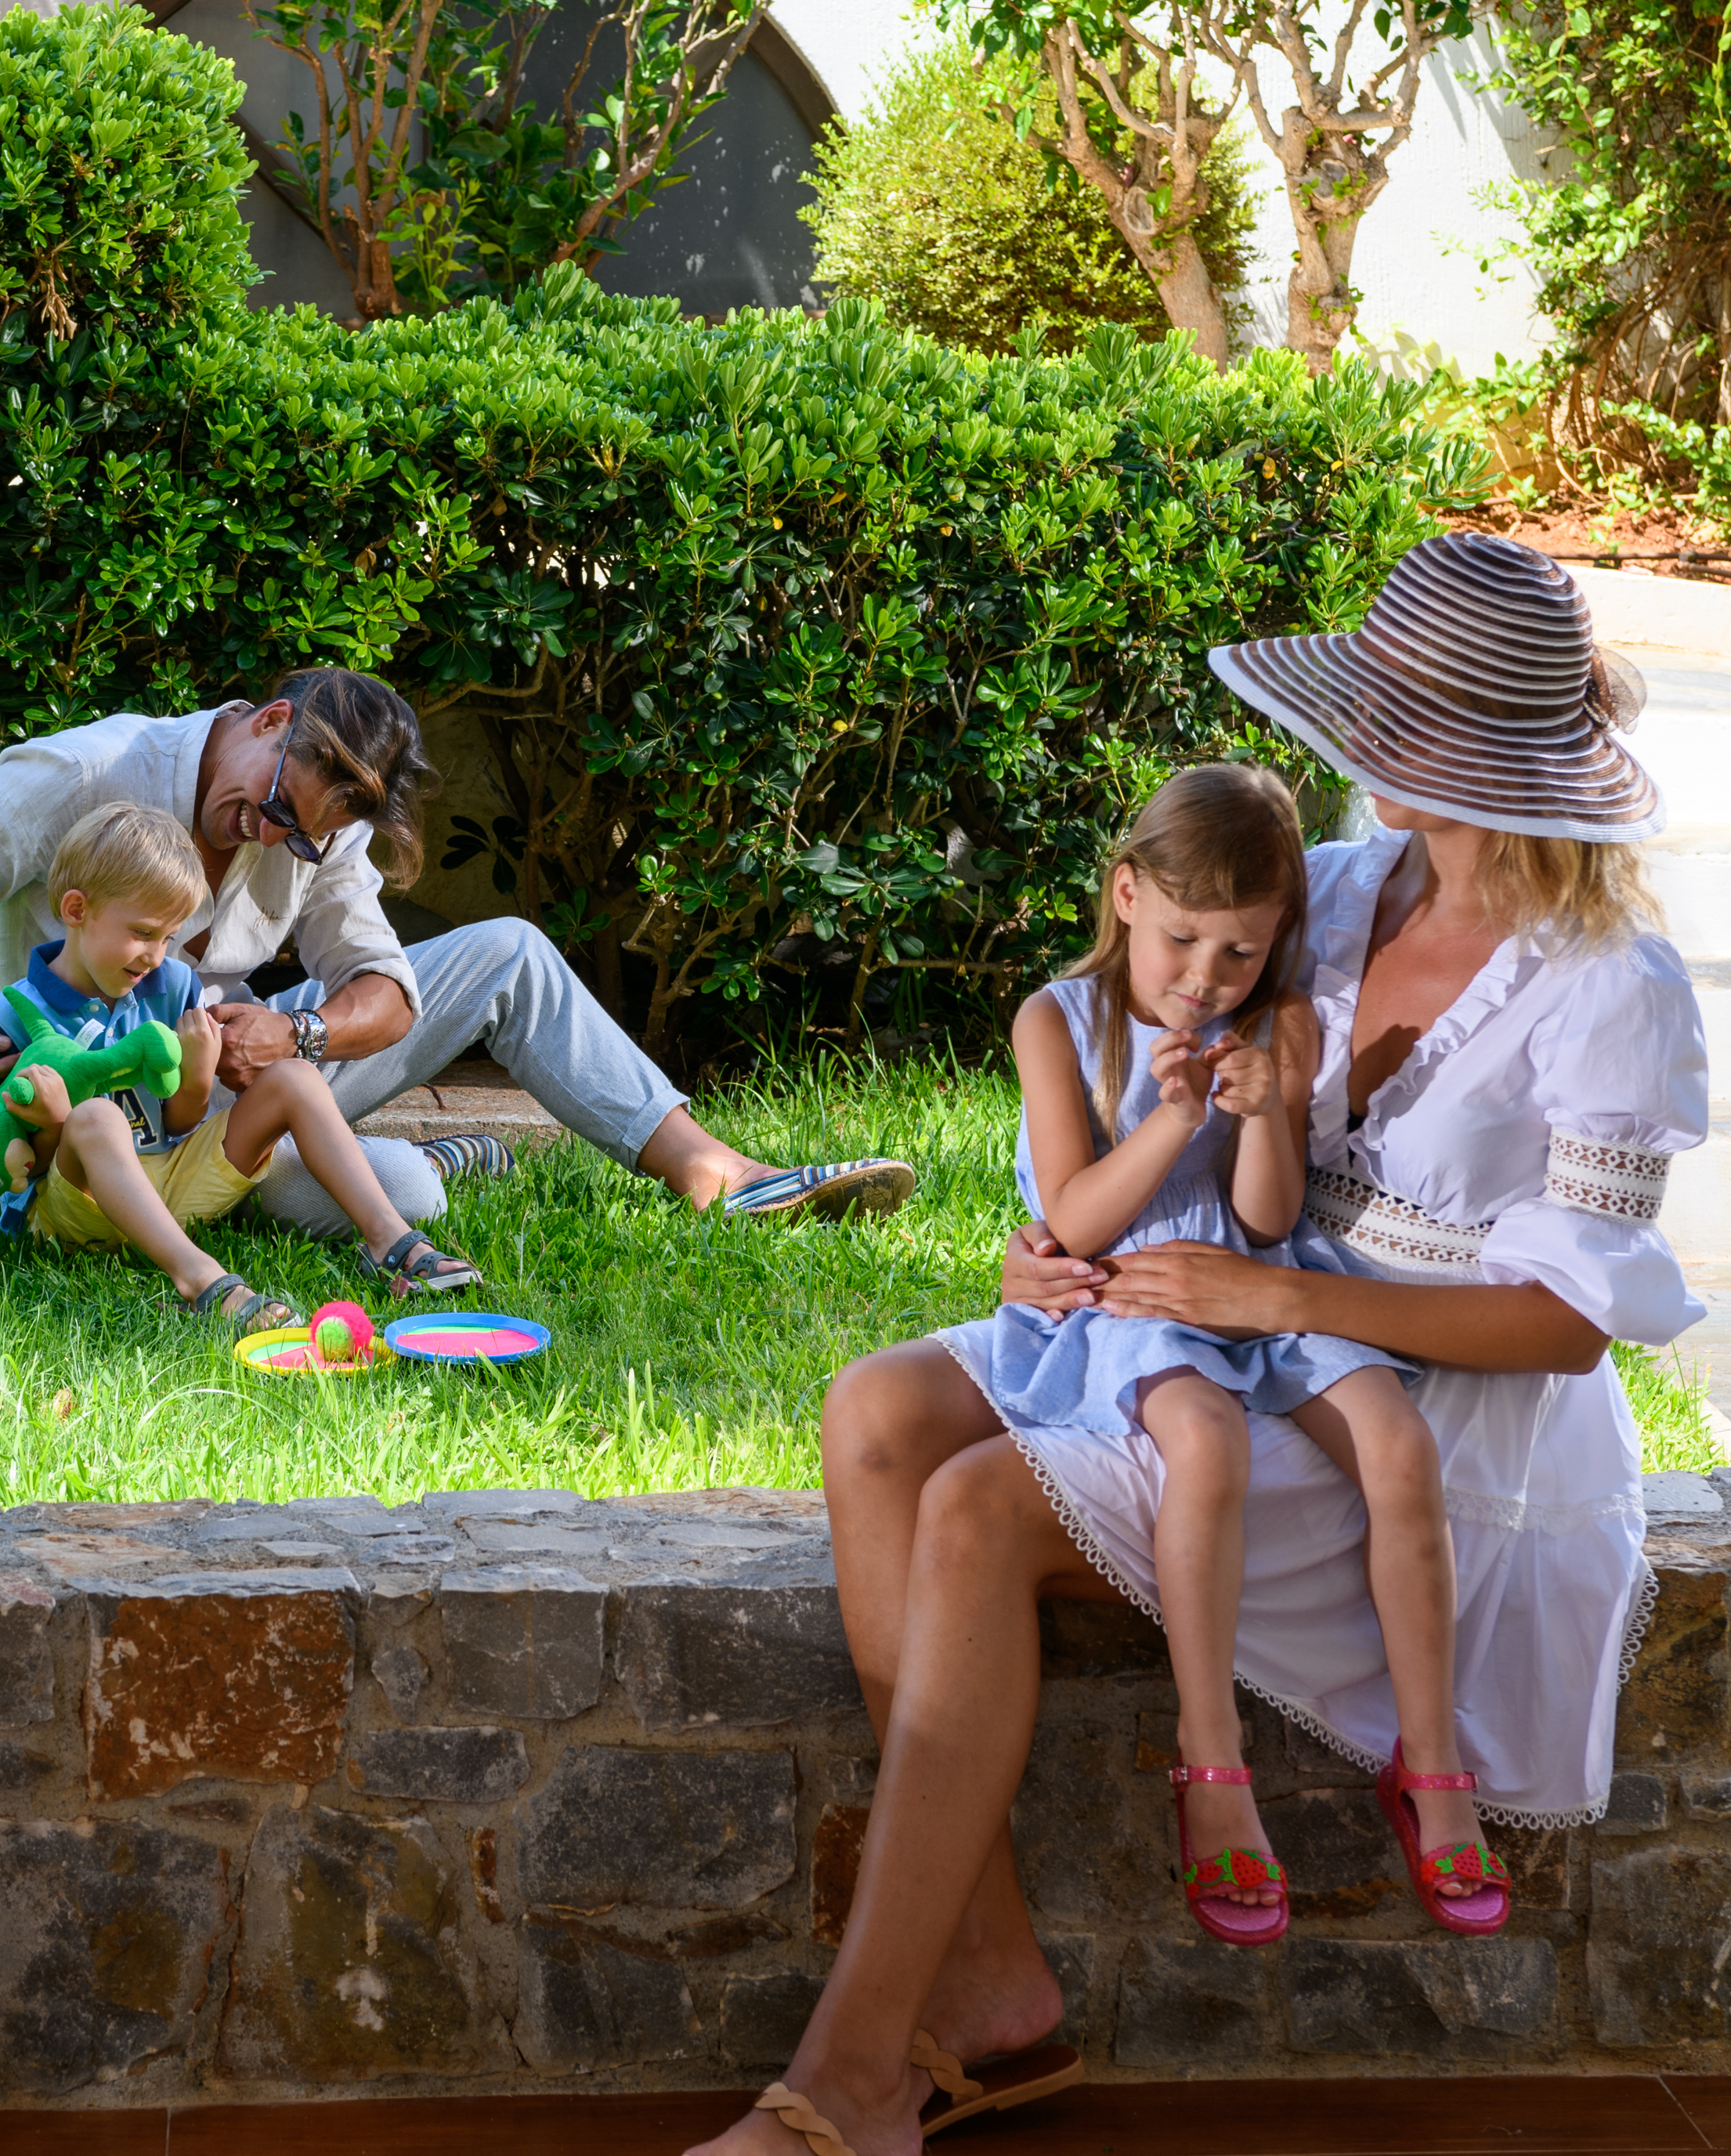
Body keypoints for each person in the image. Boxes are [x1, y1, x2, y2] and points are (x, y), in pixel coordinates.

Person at [696, 533, 1702, 2156]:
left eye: (1389, 713)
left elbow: (1570, 1330)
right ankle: (995, 1981)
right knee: (876, 1407)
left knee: (968, 1506)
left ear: (1460, 743)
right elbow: (1167, 1069)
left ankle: (850, 2079)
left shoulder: (1610, 987)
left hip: (1432, 1406)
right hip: (1219, 1286)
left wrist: (1285, 1300)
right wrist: (1050, 1244)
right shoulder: (1351, 883)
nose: (1358, 742)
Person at [945, 761, 1476, 1951]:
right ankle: (1212, 1750)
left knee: (1397, 1441)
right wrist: (1176, 1116)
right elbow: (1078, 1222)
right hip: (1139, 1295)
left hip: (1271, 1288)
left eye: (1239, 953)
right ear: (1126, 895)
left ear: (1278, 938)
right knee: (1206, 1440)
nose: (1204, 979)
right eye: (1183, 941)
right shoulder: (1061, 1020)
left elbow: (1273, 1220)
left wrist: (1262, 1108)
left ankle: (1432, 1759)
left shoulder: (1275, 1021)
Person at [0, 667, 916, 1232]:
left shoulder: (321, 826)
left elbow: (389, 992)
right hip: (97, 1119)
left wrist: (295, 1028)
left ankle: (715, 1175)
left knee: (507, 951)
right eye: (274, 809)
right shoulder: (90, 773)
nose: (276, 837)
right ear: (270, 721)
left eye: (303, 834)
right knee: (406, 1201)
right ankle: (438, 1160)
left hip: (246, 1085)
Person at [0, 803, 483, 1329]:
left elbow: (174, 1122)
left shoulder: (169, 985)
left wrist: (197, 1074)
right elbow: (10, 1166)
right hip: (74, 1211)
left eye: (169, 937)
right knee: (97, 1119)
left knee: (293, 1075)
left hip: (173, 1181)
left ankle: (388, 1240)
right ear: (77, 910)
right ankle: (201, 1280)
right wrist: (56, 1124)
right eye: (144, 933)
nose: (156, 955)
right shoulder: (15, 1015)